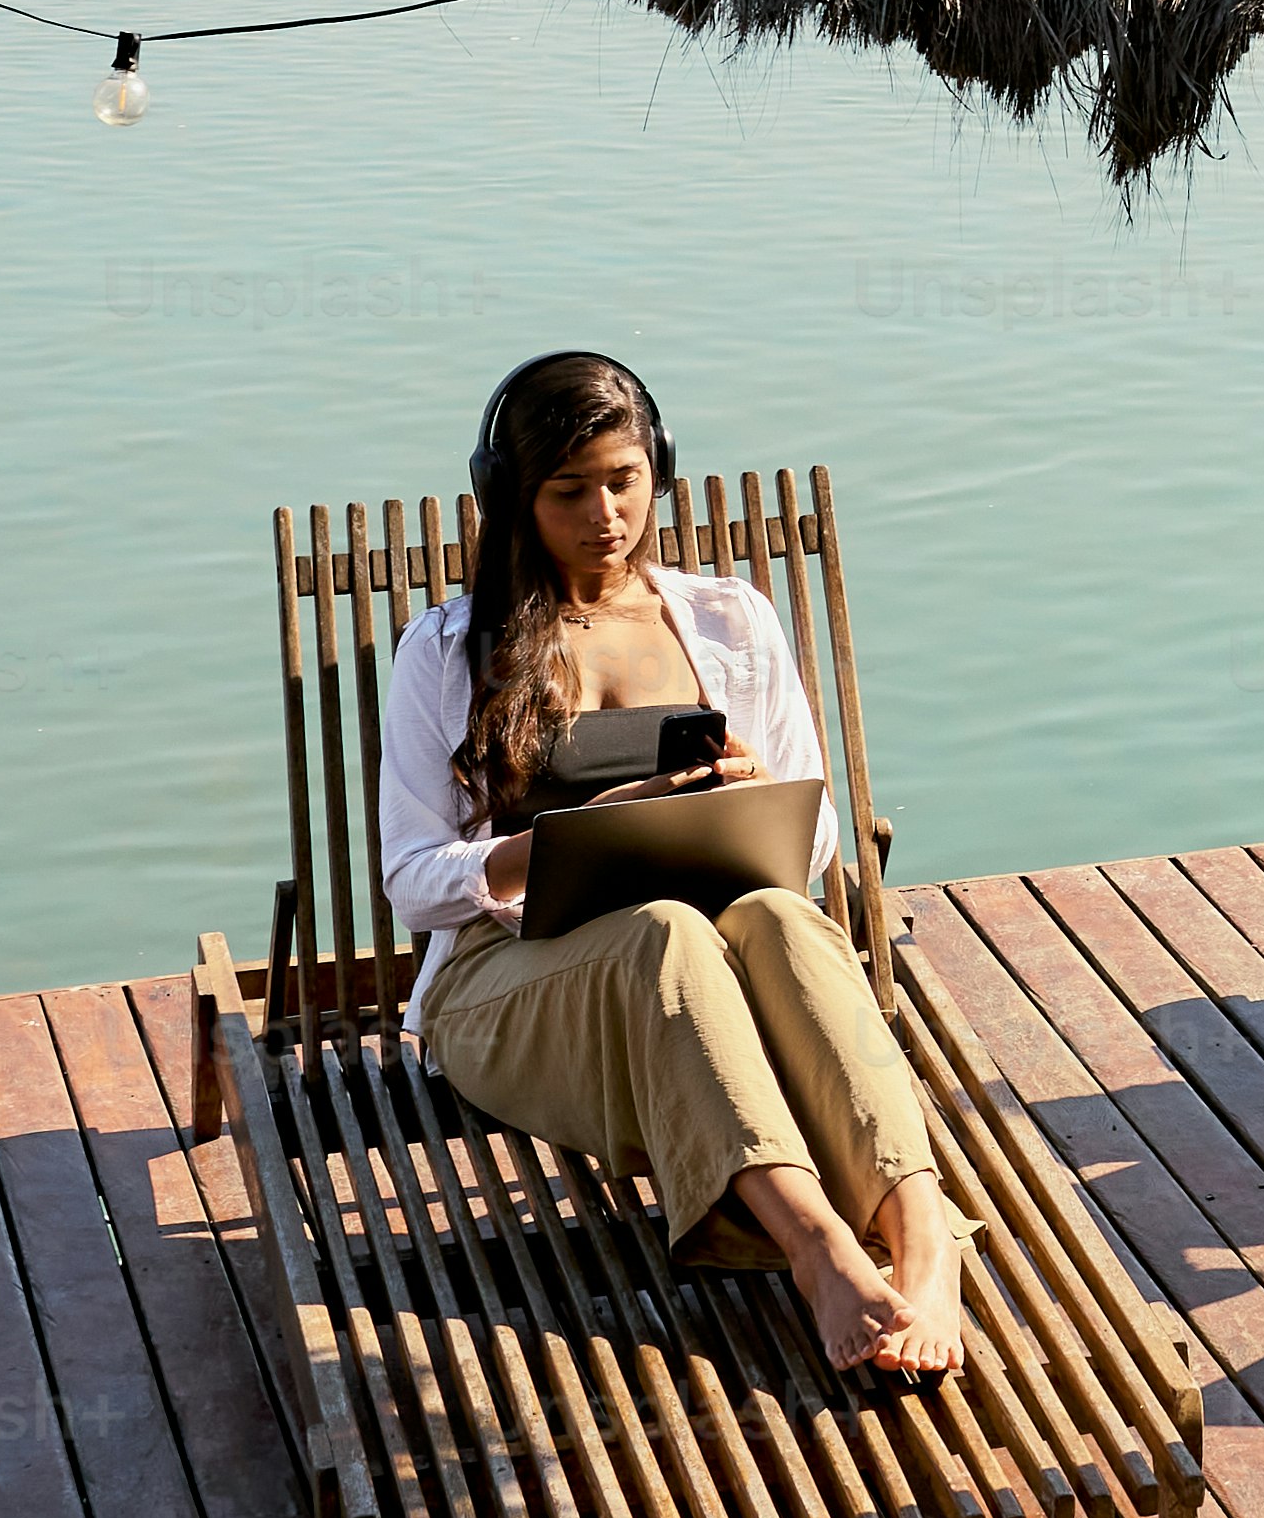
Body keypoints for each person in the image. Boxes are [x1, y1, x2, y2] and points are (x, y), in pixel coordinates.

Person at [374, 347, 968, 1384]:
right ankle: (817, 1247)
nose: (605, 515)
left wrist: (752, 795)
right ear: (510, 496)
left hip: (715, 957)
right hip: (504, 983)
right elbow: (412, 881)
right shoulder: (448, 651)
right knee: (665, 933)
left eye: (625, 480)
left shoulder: (730, 620)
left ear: (661, 469)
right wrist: (560, 839)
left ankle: (924, 1234)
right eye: (568, 491)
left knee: (782, 918)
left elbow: (814, 843)